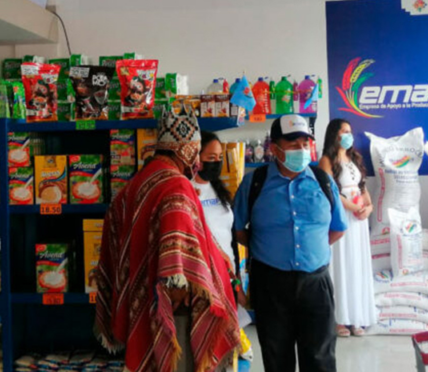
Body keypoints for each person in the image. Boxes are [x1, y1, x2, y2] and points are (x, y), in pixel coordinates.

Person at [96, 108, 239, 372]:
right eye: (196, 151)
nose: (197, 161)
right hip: (174, 310)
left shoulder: (137, 182)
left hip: (143, 301)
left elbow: (115, 231)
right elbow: (177, 252)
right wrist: (178, 283)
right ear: (186, 149)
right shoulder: (176, 184)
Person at [234, 115, 346, 372]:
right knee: (277, 359)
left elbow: (338, 229)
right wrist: (269, 247)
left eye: (305, 144)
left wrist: (311, 250)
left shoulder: (323, 181)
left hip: (315, 284)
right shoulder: (254, 183)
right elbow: (239, 230)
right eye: (293, 144)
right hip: (270, 284)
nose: (301, 149)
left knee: (320, 359)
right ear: (274, 148)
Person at [189, 132, 253, 365]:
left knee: (228, 347)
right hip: (203, 279)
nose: (215, 162)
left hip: (228, 276)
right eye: (210, 157)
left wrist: (237, 280)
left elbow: (230, 237)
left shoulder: (220, 190)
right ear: (196, 158)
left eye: (219, 157)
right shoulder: (187, 189)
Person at [318, 118, 376, 337]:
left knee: (356, 264)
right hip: (340, 217)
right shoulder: (326, 160)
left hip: (358, 220)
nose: (348, 135)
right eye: (344, 131)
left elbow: (362, 187)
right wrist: (352, 207)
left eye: (350, 131)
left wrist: (368, 208)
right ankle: (339, 318)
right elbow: (331, 191)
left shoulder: (355, 159)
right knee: (340, 264)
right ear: (334, 134)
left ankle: (356, 317)